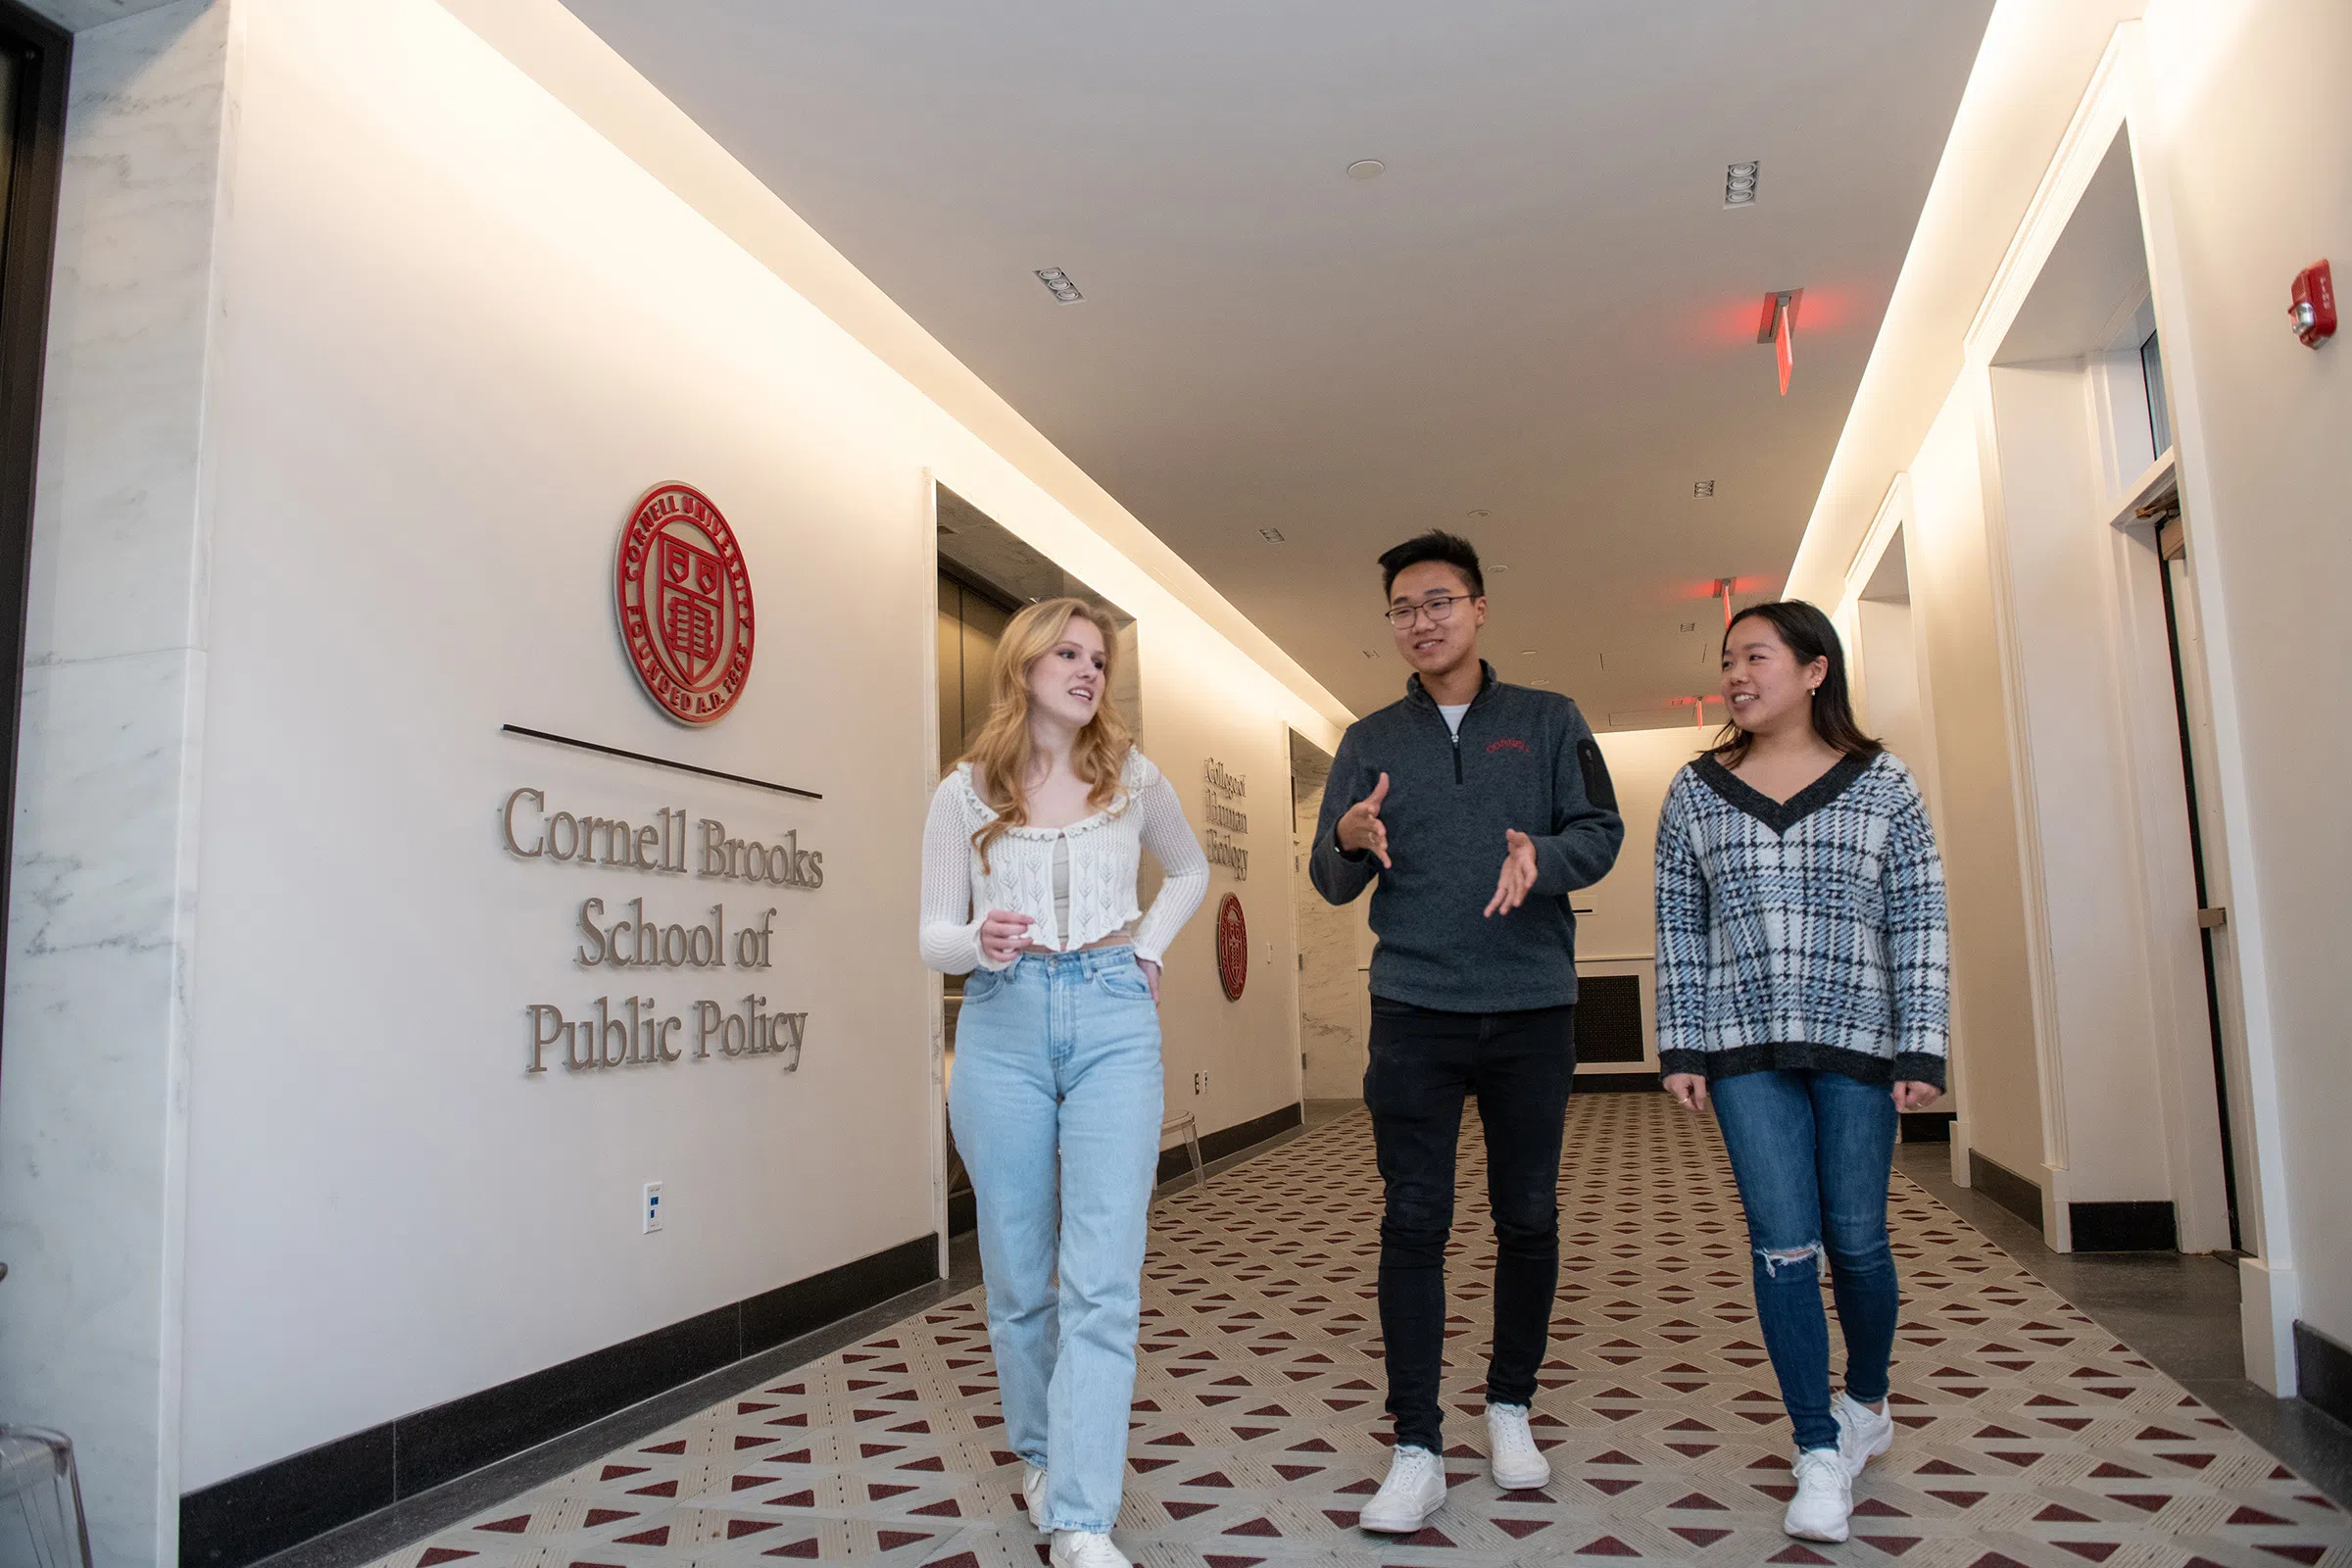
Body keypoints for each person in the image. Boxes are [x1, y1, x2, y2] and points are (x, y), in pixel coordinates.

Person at [1309, 530, 1625, 1533]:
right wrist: (1350, 840)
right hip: (1412, 1007)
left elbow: (1601, 830)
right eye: (1402, 608)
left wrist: (1551, 859)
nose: (1420, 621)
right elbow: (1330, 874)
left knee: (1527, 1214)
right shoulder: (1366, 740)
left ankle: (1509, 1404)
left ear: (1479, 607)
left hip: (1532, 1004)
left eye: (1438, 601)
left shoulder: (1547, 719)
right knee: (1414, 1219)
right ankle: (1415, 1443)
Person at [918, 598, 1209, 1568]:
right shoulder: (962, 792)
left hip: (1113, 1019)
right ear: (1025, 664)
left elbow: (1190, 869)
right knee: (1014, 1276)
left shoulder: (1132, 777)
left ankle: (1082, 1515)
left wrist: (1152, 952)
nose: (1089, 670)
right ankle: (1042, 1453)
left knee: (1101, 1279)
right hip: (1001, 1026)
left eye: (1100, 658)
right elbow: (931, 933)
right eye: (1069, 653)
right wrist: (977, 938)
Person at [1653, 600, 1949, 1544]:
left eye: (1757, 657)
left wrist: (1923, 1043)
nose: (1737, 676)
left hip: (1862, 1045)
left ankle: (1867, 1397)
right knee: (1785, 1245)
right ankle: (1817, 1448)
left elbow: (1920, 917)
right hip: (1746, 1052)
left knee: (1857, 1241)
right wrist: (1684, 1047)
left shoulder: (1883, 783)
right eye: (1729, 660)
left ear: (1815, 670)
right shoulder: (1696, 790)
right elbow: (1678, 927)